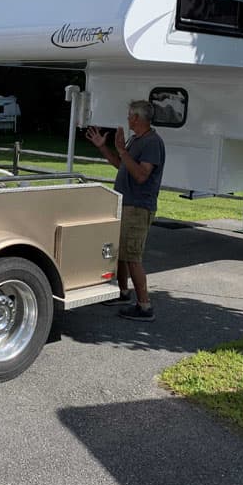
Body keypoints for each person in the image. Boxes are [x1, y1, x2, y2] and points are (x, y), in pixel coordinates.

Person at [86, 100, 165, 321]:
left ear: (138, 118)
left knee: (133, 257)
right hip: (125, 204)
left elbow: (141, 175)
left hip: (138, 207)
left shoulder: (152, 143)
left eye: (130, 115)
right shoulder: (136, 140)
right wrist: (103, 146)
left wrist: (122, 150)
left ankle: (144, 306)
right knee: (121, 253)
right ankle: (123, 293)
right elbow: (122, 166)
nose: (128, 118)